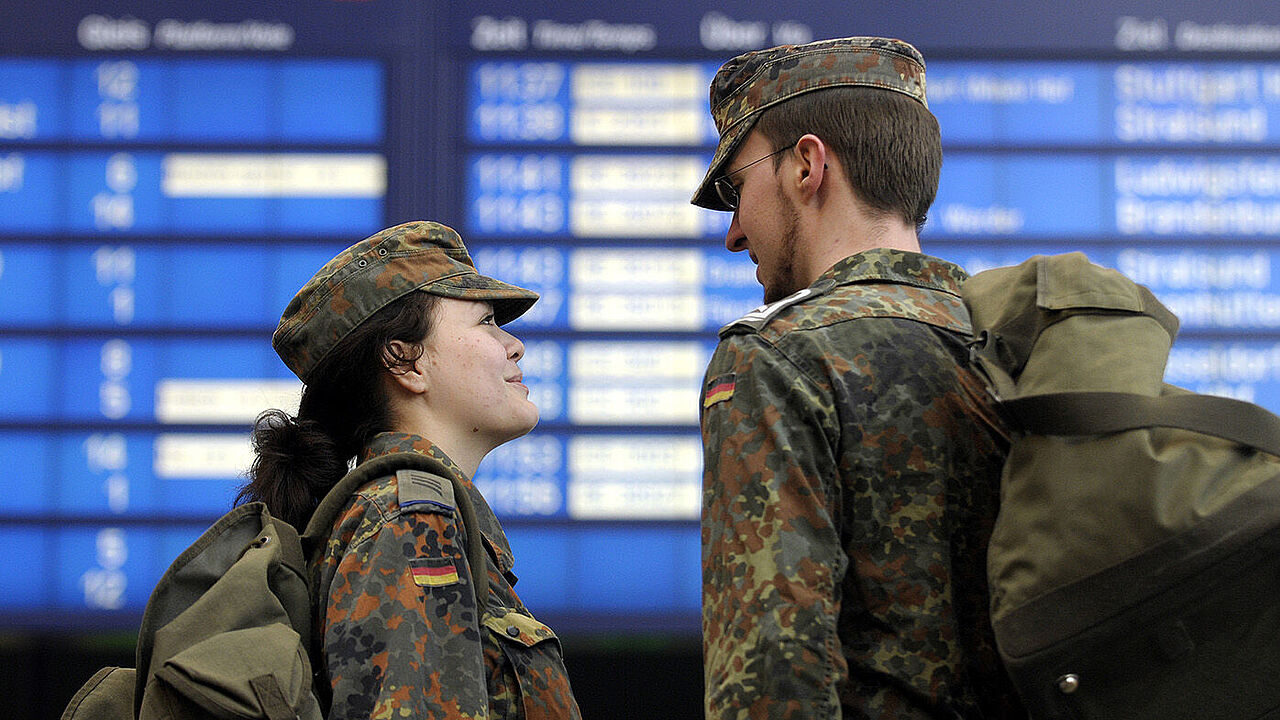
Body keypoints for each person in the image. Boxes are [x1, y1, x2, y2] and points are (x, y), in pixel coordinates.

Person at [691, 37, 1027, 718]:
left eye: (736, 189)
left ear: (807, 165)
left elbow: (772, 674)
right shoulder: (1014, 343)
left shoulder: (778, 355)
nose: (734, 232)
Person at [238, 220, 582, 719]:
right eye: (486, 321)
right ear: (405, 362)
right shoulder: (409, 520)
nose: (514, 345)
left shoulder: (410, 515)